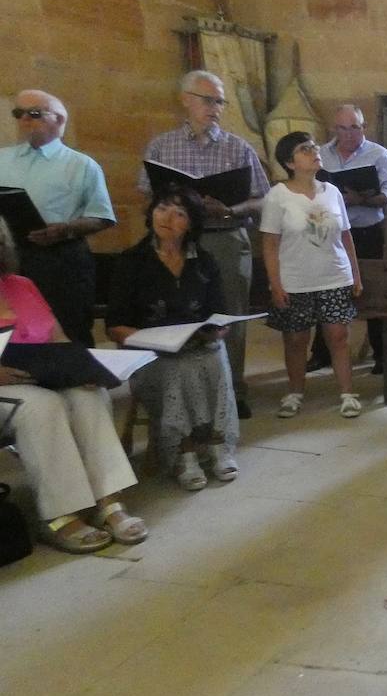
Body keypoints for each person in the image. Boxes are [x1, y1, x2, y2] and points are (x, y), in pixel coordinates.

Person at [0, 221, 142, 552]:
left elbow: (59, 340)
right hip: (8, 388)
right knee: (41, 407)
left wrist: (79, 368)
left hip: (38, 377)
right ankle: (60, 515)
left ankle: (109, 501)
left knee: (86, 392)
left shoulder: (21, 285)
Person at [141, 70, 270, 418]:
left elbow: (261, 199)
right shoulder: (160, 146)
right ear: (186, 99)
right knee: (177, 310)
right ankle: (178, 388)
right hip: (176, 240)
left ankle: (233, 390)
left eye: (220, 101)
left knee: (231, 313)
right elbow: (147, 195)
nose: (215, 108)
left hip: (225, 236)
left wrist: (230, 207)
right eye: (208, 99)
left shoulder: (238, 148)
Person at [106, 186, 240, 490]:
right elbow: (115, 326)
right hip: (151, 355)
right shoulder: (131, 261)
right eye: (162, 208)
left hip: (197, 346)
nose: (168, 217)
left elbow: (221, 316)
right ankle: (185, 452)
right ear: (151, 212)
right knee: (180, 369)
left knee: (216, 354)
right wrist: (155, 340)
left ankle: (218, 444)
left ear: (191, 224)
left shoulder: (204, 261)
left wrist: (216, 330)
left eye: (180, 213)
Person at [0, 88, 116, 346]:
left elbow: (103, 217)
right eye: (19, 113)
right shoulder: (2, 159)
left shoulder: (82, 164)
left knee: (69, 328)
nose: (25, 120)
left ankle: (76, 379)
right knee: (12, 330)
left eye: (34, 113)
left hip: (60, 259)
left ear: (60, 120)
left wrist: (64, 229)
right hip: (7, 257)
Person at [259, 132, 363, 419]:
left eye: (315, 147)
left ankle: (347, 393)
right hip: (296, 278)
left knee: (338, 336)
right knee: (295, 340)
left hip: (334, 274)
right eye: (305, 150)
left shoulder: (332, 191)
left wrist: (355, 273)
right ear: (290, 163)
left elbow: (345, 235)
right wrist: (275, 282)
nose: (315, 152)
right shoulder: (278, 196)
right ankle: (294, 392)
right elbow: (269, 242)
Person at [309, 104, 387, 376]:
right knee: (326, 289)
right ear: (334, 129)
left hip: (366, 229)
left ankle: (383, 355)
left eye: (355, 127)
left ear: (364, 127)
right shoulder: (321, 154)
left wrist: (362, 199)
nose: (349, 134)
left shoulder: (378, 154)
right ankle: (321, 353)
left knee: (373, 290)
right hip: (329, 231)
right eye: (343, 128)